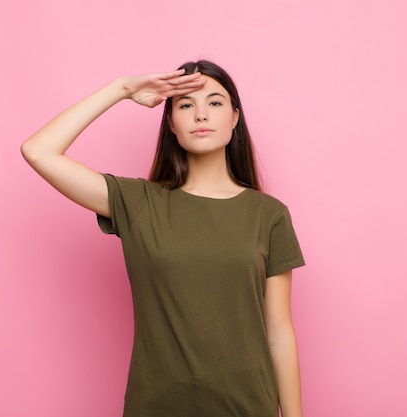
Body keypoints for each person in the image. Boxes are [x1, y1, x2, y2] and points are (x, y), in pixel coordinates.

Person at [21, 60, 305, 417]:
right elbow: (38, 150)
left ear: (235, 117)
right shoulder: (139, 203)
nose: (201, 114)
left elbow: (279, 333)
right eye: (186, 105)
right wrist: (121, 89)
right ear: (171, 123)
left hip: (248, 408)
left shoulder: (269, 214)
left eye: (214, 103)